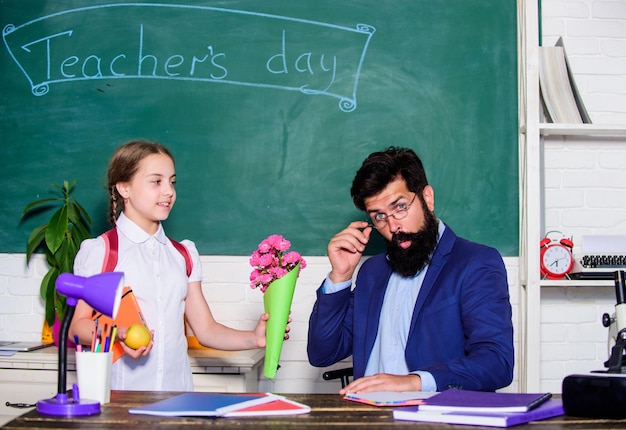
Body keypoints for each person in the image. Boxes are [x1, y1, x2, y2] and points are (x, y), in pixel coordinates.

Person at [69, 140, 284, 391]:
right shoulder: (102, 252)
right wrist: (121, 333)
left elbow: (206, 330)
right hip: (120, 396)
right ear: (124, 188)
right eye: (156, 181)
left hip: (178, 395)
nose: (168, 191)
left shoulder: (182, 254)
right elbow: (78, 327)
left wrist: (254, 338)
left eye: (172, 182)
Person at [307, 146, 514, 394]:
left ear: (427, 197)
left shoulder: (475, 262)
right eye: (379, 216)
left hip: (435, 418)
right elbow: (322, 353)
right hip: (369, 416)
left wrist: (414, 382)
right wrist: (339, 277)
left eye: (401, 207)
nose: (393, 225)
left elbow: (496, 362)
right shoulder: (371, 272)